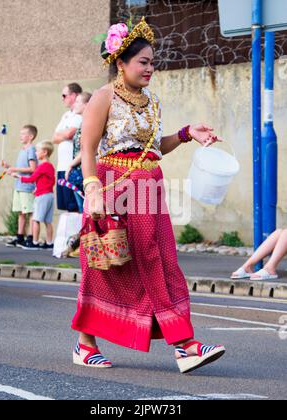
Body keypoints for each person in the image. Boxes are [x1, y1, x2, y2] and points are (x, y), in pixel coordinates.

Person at [71, 18, 226, 374]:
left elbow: (154, 150)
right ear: (121, 63)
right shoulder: (102, 97)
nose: (150, 68)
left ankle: (183, 344)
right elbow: (90, 150)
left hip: (149, 191)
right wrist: (93, 192)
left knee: (162, 262)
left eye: (153, 62)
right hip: (113, 189)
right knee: (110, 266)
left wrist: (187, 133)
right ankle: (89, 344)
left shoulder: (151, 102)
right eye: (143, 62)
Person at [10, 141, 56, 251]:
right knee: (48, 221)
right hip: (49, 195)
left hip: (42, 197)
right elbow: (50, 181)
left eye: (37, 151)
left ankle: (34, 242)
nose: (35, 153)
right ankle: (50, 243)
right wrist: (38, 188)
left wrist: (17, 176)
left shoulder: (41, 167)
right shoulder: (50, 166)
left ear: (44, 152)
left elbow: (31, 179)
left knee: (36, 219)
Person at [1, 125, 38, 248]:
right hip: (19, 186)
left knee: (30, 212)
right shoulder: (22, 150)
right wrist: (8, 167)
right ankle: (20, 237)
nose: (20, 136)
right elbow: (20, 169)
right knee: (21, 213)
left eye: (23, 134)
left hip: (27, 186)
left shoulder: (31, 150)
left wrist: (14, 169)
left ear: (31, 136)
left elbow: (33, 169)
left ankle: (31, 238)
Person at [53, 83, 83, 213]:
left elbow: (70, 133)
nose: (62, 98)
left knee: (75, 204)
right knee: (66, 204)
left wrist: (64, 134)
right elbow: (54, 138)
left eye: (64, 95)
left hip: (73, 166)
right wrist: (64, 134)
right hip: (62, 166)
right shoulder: (65, 115)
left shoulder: (79, 114)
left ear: (74, 95)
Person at [65, 92, 92, 214]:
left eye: (77, 101)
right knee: (82, 209)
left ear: (87, 105)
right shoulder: (83, 122)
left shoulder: (90, 122)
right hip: (78, 170)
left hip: (85, 170)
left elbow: (88, 148)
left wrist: (70, 165)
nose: (74, 104)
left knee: (87, 208)